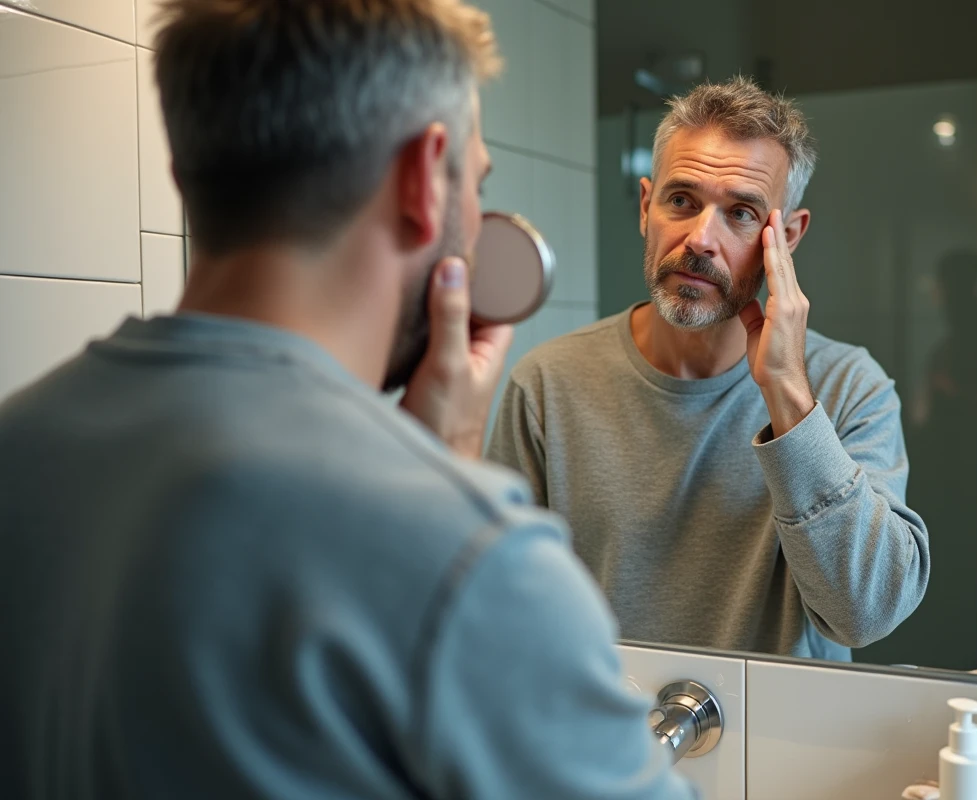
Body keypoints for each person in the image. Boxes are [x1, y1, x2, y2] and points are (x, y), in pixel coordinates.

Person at [0, 2, 693, 798]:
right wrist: (442, 493)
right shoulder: (476, 563)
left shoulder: (19, 444)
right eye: (477, 178)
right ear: (421, 179)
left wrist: (425, 468)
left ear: (189, 169)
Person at [489, 77, 932, 662]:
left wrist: (789, 396)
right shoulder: (547, 383)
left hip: (777, 745)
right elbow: (496, 609)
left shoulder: (851, 387)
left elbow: (864, 613)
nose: (701, 239)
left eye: (742, 213)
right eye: (681, 201)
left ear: (788, 236)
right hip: (603, 741)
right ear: (646, 206)